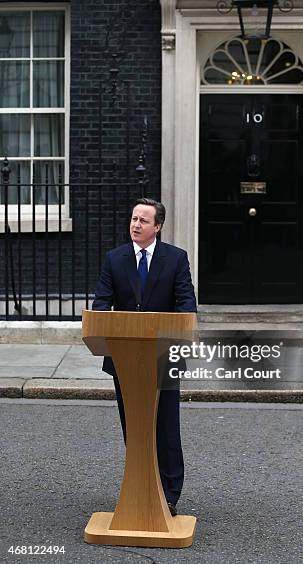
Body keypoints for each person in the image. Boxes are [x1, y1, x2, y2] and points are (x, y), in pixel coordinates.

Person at [92, 197, 197, 516]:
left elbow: (186, 306)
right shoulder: (115, 259)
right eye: (133, 218)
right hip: (126, 359)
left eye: (143, 220)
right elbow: (100, 305)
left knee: (165, 425)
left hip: (164, 356)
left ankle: (169, 493)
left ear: (158, 227)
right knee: (134, 425)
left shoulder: (176, 258)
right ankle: (140, 485)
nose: (135, 224)